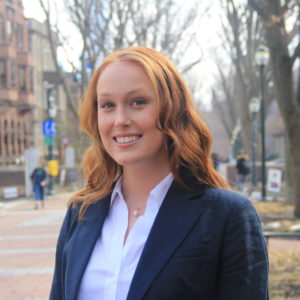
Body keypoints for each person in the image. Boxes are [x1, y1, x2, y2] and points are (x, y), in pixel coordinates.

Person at [50, 47, 268, 300]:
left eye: (138, 102)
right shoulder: (81, 212)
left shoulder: (226, 215)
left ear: (172, 109)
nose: (120, 119)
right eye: (107, 105)